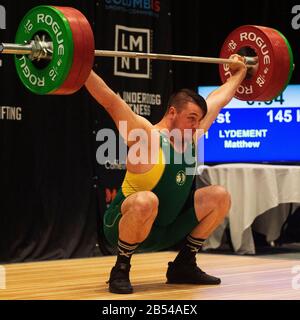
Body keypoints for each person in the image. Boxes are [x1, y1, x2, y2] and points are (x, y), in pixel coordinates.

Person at [85, 55, 247, 294]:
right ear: (172, 112)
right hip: (121, 225)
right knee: (146, 200)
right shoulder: (146, 136)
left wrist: (240, 73)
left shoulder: (191, 136)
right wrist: (80, 66)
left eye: (199, 120)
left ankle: (184, 264)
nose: (196, 125)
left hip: (164, 229)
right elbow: (110, 100)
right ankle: (121, 267)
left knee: (219, 196)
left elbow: (218, 100)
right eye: (191, 118)